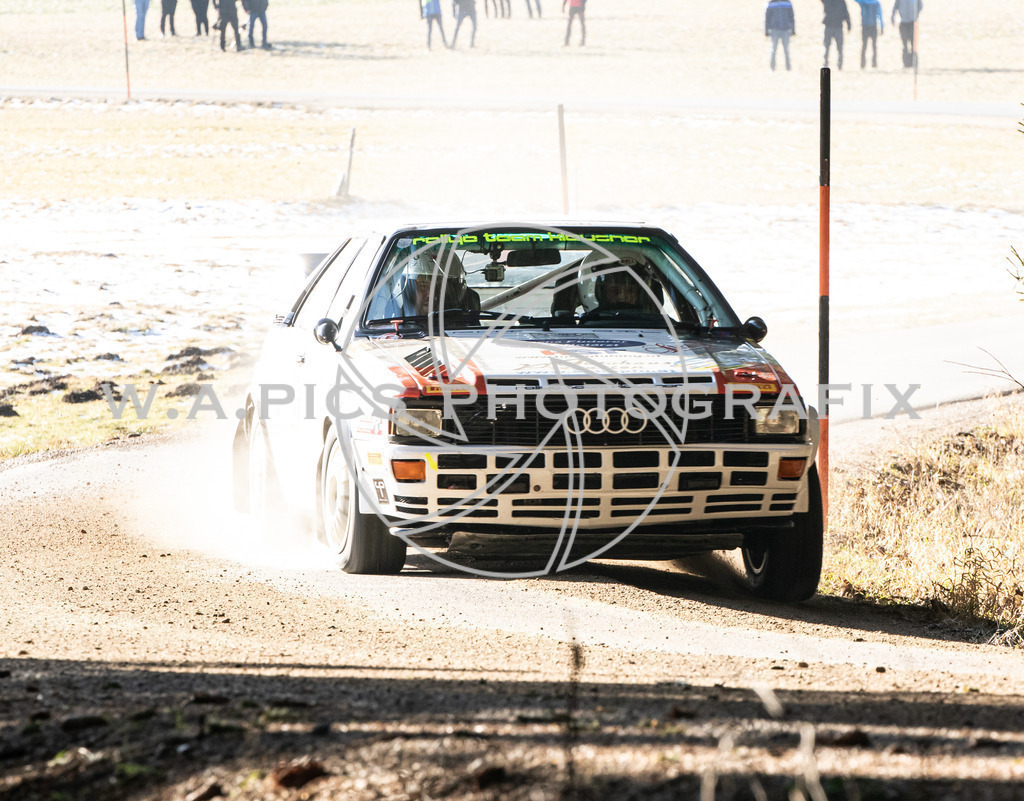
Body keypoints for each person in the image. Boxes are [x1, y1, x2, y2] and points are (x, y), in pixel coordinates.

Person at [764, 0, 795, 71]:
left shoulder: (788, 3)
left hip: (785, 29)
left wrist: (793, 29)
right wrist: (766, 30)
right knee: (774, 49)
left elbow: (791, 17)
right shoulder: (771, 3)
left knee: (786, 50)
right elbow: (767, 18)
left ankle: (788, 67)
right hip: (775, 29)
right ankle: (772, 68)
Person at [891, 0, 922, 67]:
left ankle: (914, 63)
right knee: (905, 45)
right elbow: (895, 6)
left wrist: (916, 15)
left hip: (913, 22)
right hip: (903, 23)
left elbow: (920, 5)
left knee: (913, 44)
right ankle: (906, 64)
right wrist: (892, 18)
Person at [822, 0, 851, 69]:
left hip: (835, 26)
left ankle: (838, 64)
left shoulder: (841, 1)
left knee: (837, 47)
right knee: (828, 47)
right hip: (833, 26)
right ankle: (827, 63)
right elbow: (846, 13)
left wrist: (849, 24)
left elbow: (846, 13)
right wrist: (848, 24)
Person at [853, 0, 883, 68]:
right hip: (873, 26)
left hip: (865, 26)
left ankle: (863, 64)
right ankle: (874, 64)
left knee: (864, 46)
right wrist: (881, 26)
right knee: (874, 46)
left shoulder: (863, 2)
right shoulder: (876, 3)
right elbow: (879, 15)